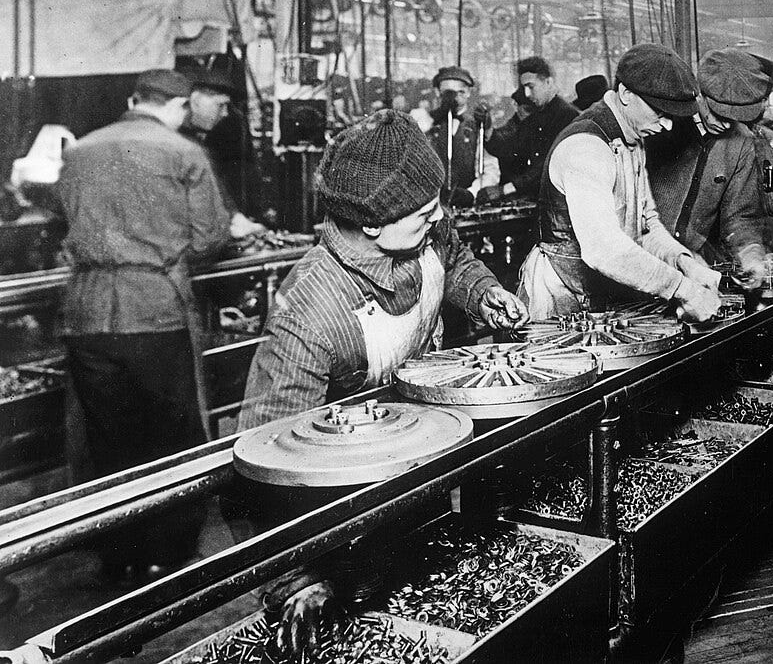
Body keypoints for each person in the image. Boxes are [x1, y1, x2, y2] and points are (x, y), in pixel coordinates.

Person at [238, 109, 527, 429]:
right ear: (372, 225)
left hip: (431, 427)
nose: (438, 217)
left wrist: (482, 292)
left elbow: (451, 257)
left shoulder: (423, 232)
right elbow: (273, 439)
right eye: (425, 213)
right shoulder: (307, 316)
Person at [57, 69, 233, 586]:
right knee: (170, 437)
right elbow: (210, 236)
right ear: (178, 106)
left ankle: (117, 555)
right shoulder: (183, 152)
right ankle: (165, 554)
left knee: (107, 439)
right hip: (154, 310)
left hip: (87, 311)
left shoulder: (79, 150)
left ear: (135, 100)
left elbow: (64, 220)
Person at [517, 42, 721, 321]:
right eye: (660, 112)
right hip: (560, 298)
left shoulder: (633, 135)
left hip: (602, 294)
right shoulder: (586, 146)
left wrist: (683, 262)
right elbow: (604, 250)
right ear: (625, 94)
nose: (668, 125)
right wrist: (682, 289)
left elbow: (646, 225)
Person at [647, 48, 771, 286]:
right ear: (699, 95)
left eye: (734, 118)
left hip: (697, 267)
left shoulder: (743, 142)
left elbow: (740, 216)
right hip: (648, 258)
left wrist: (751, 252)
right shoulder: (658, 127)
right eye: (719, 114)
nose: (726, 125)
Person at [478, 56, 579, 203]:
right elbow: (512, 149)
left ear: (548, 82)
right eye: (524, 88)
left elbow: (547, 165)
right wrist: (488, 128)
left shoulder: (566, 116)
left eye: (531, 87)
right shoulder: (535, 116)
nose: (526, 94)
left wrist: (505, 189)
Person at [181, 68, 265, 238]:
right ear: (195, 101)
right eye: (220, 105)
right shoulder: (178, 144)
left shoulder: (200, 141)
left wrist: (237, 218)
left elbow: (216, 189)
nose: (225, 113)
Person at [423, 66, 498, 206]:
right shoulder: (426, 123)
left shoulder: (478, 125)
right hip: (430, 204)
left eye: (461, 92)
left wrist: (472, 193)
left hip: (466, 204)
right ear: (437, 92)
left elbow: (490, 170)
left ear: (469, 92)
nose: (455, 98)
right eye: (448, 93)